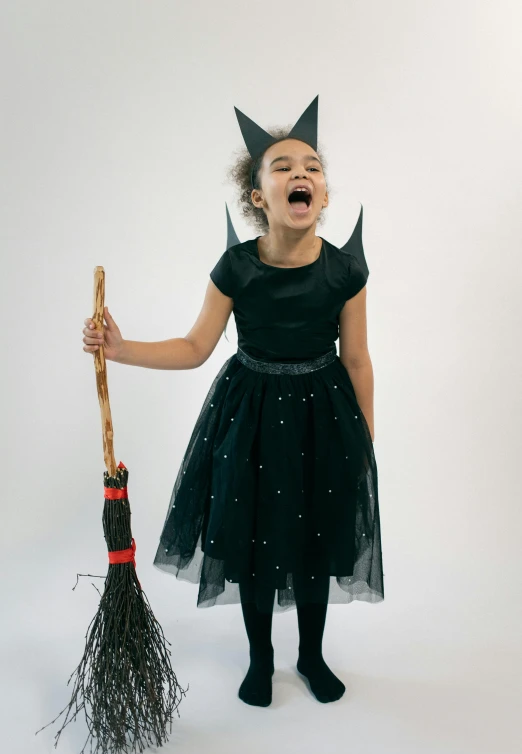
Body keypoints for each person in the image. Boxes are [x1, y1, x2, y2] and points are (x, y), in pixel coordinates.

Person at [81, 97, 383, 709]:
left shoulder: (346, 272)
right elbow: (196, 346)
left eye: (313, 167)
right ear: (258, 197)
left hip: (323, 416)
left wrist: (364, 440)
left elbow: (356, 359)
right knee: (257, 541)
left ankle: (311, 655)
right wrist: (120, 348)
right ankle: (261, 659)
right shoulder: (237, 268)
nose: (301, 173)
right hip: (250, 417)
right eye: (282, 167)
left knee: (317, 541)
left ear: (323, 196)